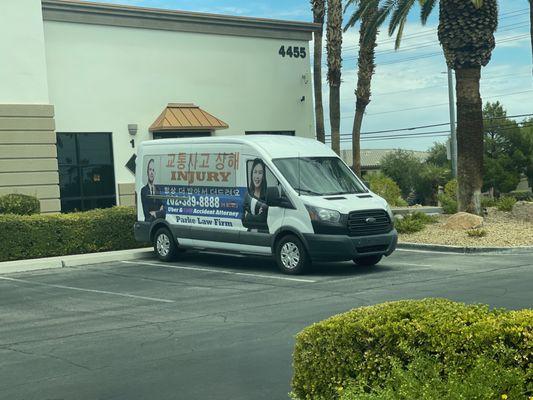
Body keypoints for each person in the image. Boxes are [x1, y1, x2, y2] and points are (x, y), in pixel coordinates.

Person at [242, 158, 269, 230]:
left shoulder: (267, 195)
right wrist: (256, 216)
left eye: (260, 173)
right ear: (251, 173)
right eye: (255, 172)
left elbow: (263, 219)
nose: (257, 176)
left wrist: (249, 216)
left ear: (264, 176)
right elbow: (243, 219)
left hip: (263, 234)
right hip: (249, 234)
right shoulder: (248, 195)